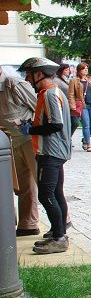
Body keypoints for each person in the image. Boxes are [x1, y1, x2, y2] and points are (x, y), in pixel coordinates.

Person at [18, 57, 73, 254]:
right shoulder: (50, 92)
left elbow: (55, 125)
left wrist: (29, 130)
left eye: (29, 75)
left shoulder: (50, 94)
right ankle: (58, 230)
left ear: (39, 74)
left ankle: (59, 238)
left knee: (46, 194)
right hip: (54, 151)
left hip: (51, 151)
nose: (27, 79)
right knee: (56, 192)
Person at [0, 64, 40, 236]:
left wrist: (28, 126)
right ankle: (28, 224)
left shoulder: (14, 84)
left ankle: (61, 226)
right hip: (10, 142)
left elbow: (39, 108)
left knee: (44, 183)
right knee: (23, 185)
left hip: (29, 139)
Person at [68, 63, 91, 152]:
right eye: (84, 68)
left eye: (87, 68)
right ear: (79, 70)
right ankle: (88, 144)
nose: (86, 70)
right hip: (82, 105)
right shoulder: (74, 80)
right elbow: (71, 94)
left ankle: (85, 140)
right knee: (86, 125)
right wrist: (72, 106)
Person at [55, 63, 80, 136]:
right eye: (66, 70)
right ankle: (66, 139)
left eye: (68, 69)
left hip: (69, 104)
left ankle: (68, 138)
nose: (68, 71)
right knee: (72, 123)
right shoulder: (56, 80)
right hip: (63, 105)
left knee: (75, 123)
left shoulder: (66, 79)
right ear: (61, 70)